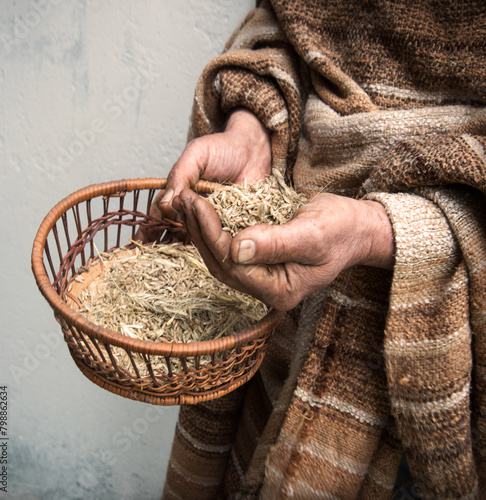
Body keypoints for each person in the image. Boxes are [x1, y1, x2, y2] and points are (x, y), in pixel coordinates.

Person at [140, 1, 486, 498]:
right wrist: (252, 128)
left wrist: (379, 231)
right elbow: (289, 26)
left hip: (436, 355)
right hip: (280, 318)